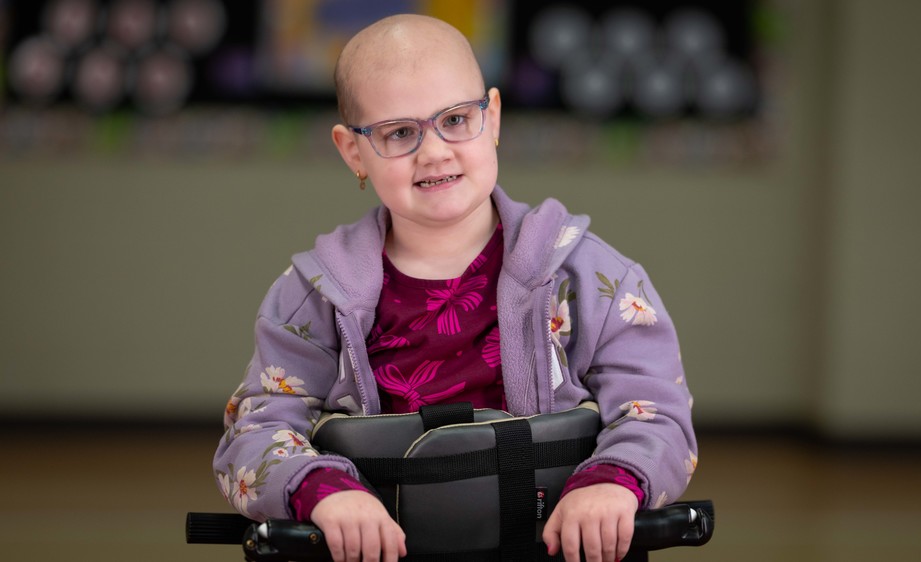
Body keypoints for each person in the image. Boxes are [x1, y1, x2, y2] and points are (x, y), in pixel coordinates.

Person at [213, 13, 697, 562]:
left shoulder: (593, 280)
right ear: (352, 151)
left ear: (493, 118)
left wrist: (611, 482)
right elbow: (255, 431)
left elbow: (658, 415)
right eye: (400, 133)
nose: (434, 152)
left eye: (456, 119)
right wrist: (322, 491)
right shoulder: (315, 296)